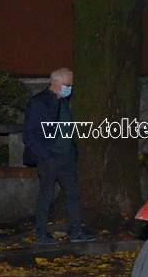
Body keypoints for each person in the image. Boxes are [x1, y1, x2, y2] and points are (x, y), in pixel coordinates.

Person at [23, 68, 97, 244]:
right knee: (46, 196)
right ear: (55, 83)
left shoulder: (63, 102)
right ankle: (41, 234)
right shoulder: (38, 102)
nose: (69, 88)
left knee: (73, 193)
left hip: (66, 157)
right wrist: (45, 155)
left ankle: (76, 232)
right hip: (50, 157)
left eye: (70, 85)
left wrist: (72, 151)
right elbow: (30, 134)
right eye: (67, 85)